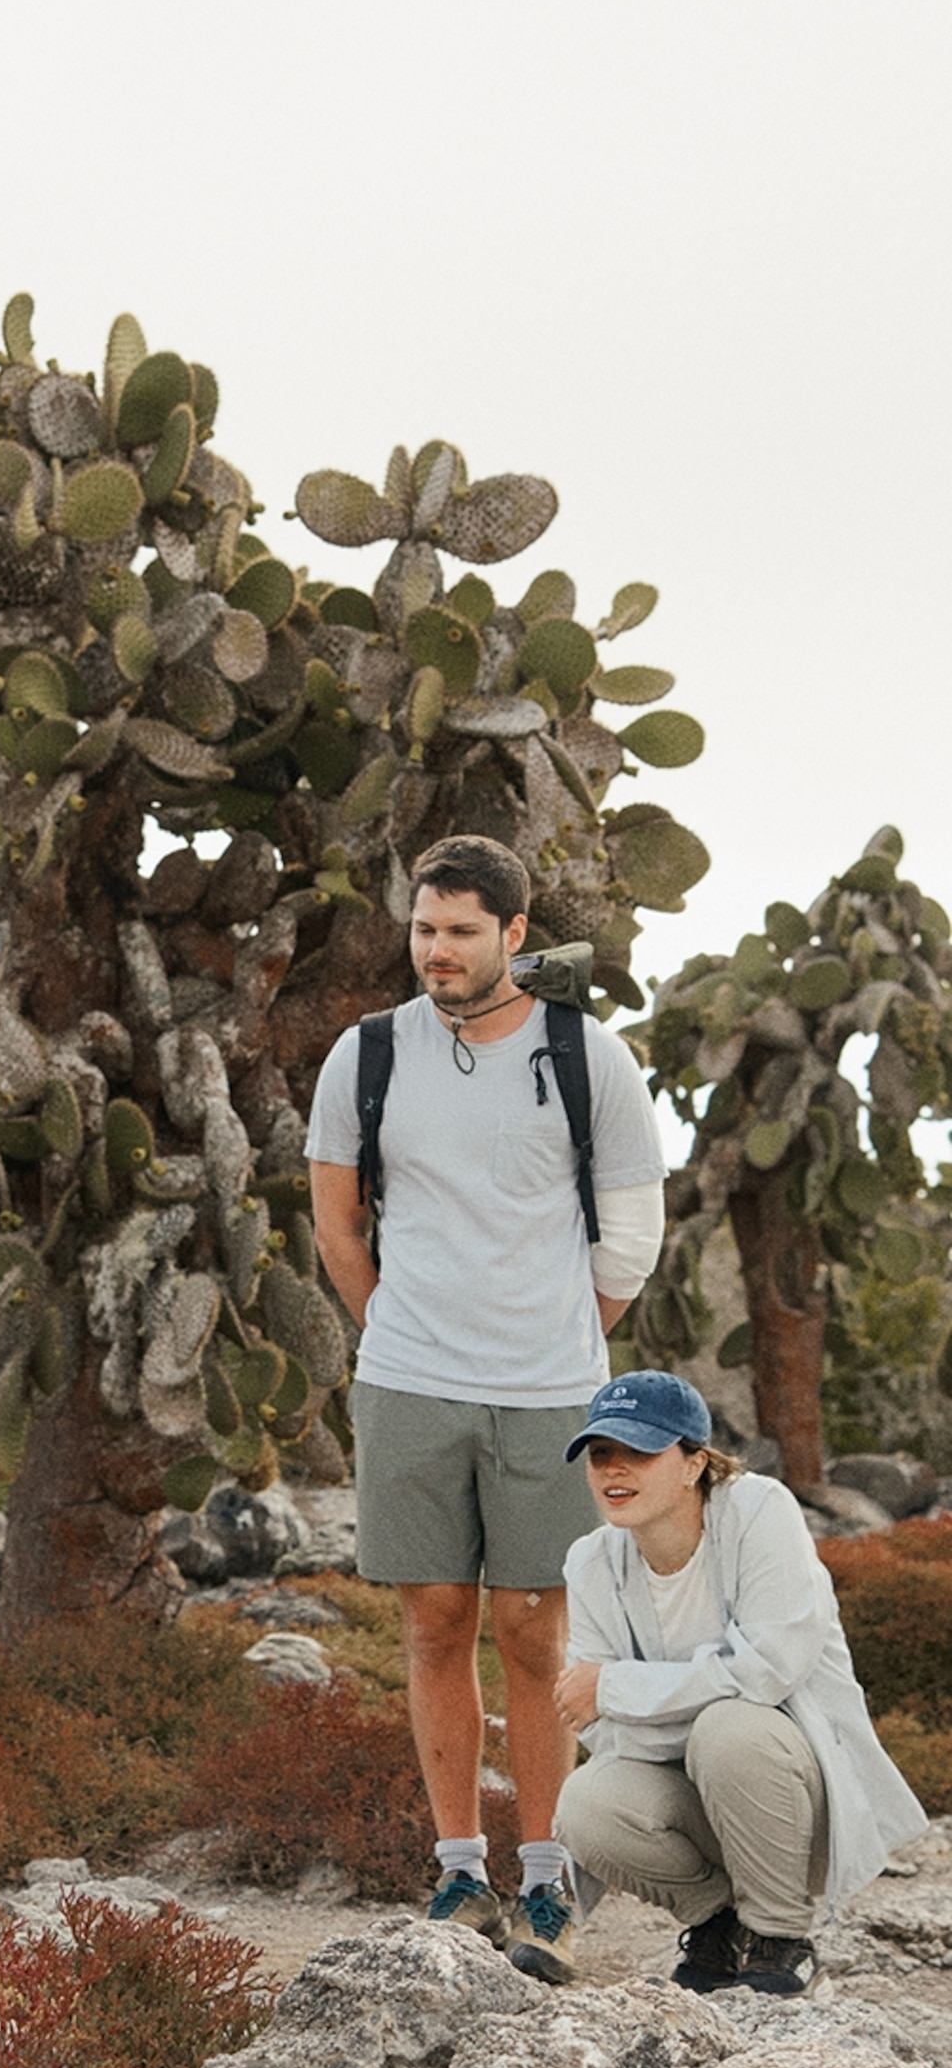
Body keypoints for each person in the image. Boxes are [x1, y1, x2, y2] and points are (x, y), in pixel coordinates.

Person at [308, 835, 666, 1984]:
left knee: (532, 1630)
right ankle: (459, 1868)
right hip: (409, 1380)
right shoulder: (365, 1056)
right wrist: (393, 1330)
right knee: (429, 1622)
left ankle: (547, 1877)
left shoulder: (584, 1056)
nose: (437, 952)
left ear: (513, 935)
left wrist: (562, 1335)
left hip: (549, 1391)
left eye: (461, 932)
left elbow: (631, 1237)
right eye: (423, 929)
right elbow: (335, 1226)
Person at [554, 1370, 924, 1996]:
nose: (615, 1470)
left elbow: (769, 1669)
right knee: (586, 1804)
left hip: (792, 1804)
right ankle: (721, 1926)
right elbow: (609, 1735)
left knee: (731, 1730)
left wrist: (617, 1688)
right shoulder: (590, 1562)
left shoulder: (760, 1512)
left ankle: (780, 1937)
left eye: (640, 1451)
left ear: (694, 1463)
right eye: (600, 1455)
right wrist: (648, 1706)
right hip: (702, 1799)